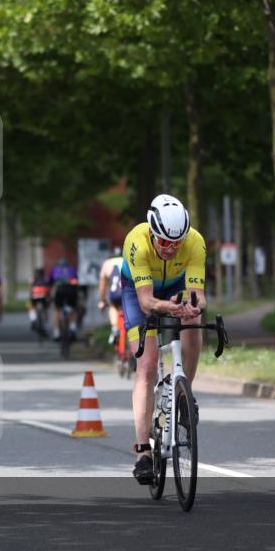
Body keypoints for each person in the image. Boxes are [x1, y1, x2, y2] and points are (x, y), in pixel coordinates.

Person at [121, 195, 206, 484]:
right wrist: (167, 308)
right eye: (164, 242)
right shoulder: (137, 241)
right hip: (138, 291)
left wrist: (193, 306)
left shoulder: (195, 242)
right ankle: (143, 452)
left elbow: (198, 295)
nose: (171, 248)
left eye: (177, 243)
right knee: (147, 366)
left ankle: (183, 394)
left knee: (193, 319)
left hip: (175, 285)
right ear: (152, 232)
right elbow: (147, 302)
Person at [48, 256, 80, 340]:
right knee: (73, 309)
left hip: (59, 290)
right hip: (71, 291)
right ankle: (73, 328)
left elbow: (49, 282)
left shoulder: (55, 269)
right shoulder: (73, 269)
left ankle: (57, 332)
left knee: (57, 309)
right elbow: (77, 281)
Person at [97, 247, 124, 345]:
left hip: (115, 292)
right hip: (129, 291)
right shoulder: (128, 260)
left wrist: (102, 300)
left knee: (113, 306)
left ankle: (115, 328)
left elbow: (103, 285)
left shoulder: (107, 263)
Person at [27, 267, 52, 336]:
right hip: (44, 297)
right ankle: (45, 324)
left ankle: (33, 320)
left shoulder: (32, 279)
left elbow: (30, 289)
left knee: (31, 307)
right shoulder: (46, 279)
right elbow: (49, 289)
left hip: (34, 297)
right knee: (46, 309)